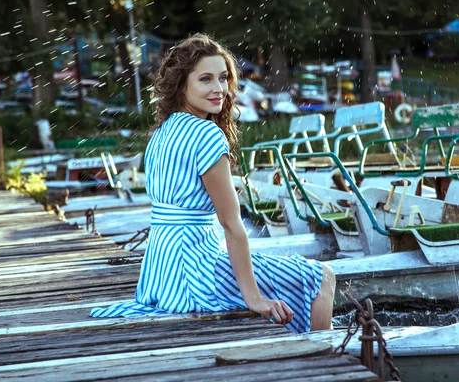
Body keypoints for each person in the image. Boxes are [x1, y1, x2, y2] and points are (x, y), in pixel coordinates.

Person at [90, 33, 335, 333]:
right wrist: (254, 297)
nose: (219, 89)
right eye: (205, 79)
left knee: (278, 270)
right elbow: (232, 225)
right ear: (182, 85)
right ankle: (320, 357)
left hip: (160, 274)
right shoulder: (207, 136)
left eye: (223, 78)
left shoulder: (160, 133)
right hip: (195, 275)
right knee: (321, 277)